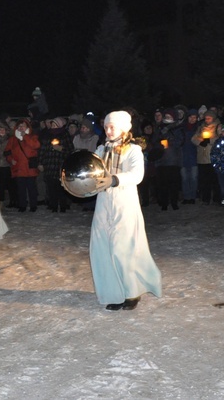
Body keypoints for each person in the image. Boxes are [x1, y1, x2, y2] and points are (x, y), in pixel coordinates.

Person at [88, 110, 162, 311]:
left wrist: (114, 179)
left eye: (112, 127)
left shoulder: (133, 150)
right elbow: (91, 173)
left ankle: (131, 291)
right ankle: (114, 292)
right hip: (103, 203)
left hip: (124, 202)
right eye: (106, 127)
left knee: (123, 248)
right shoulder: (101, 150)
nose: (109, 130)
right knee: (102, 246)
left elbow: (137, 174)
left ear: (123, 128)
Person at [4, 118, 41, 212]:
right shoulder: (13, 139)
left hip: (30, 168)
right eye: (19, 126)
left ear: (27, 127)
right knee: (21, 189)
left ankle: (33, 205)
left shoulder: (32, 136)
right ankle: (22, 205)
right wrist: (10, 160)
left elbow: (36, 145)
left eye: (23, 126)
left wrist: (26, 137)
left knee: (31, 188)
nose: (21, 128)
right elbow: (7, 151)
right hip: (19, 168)